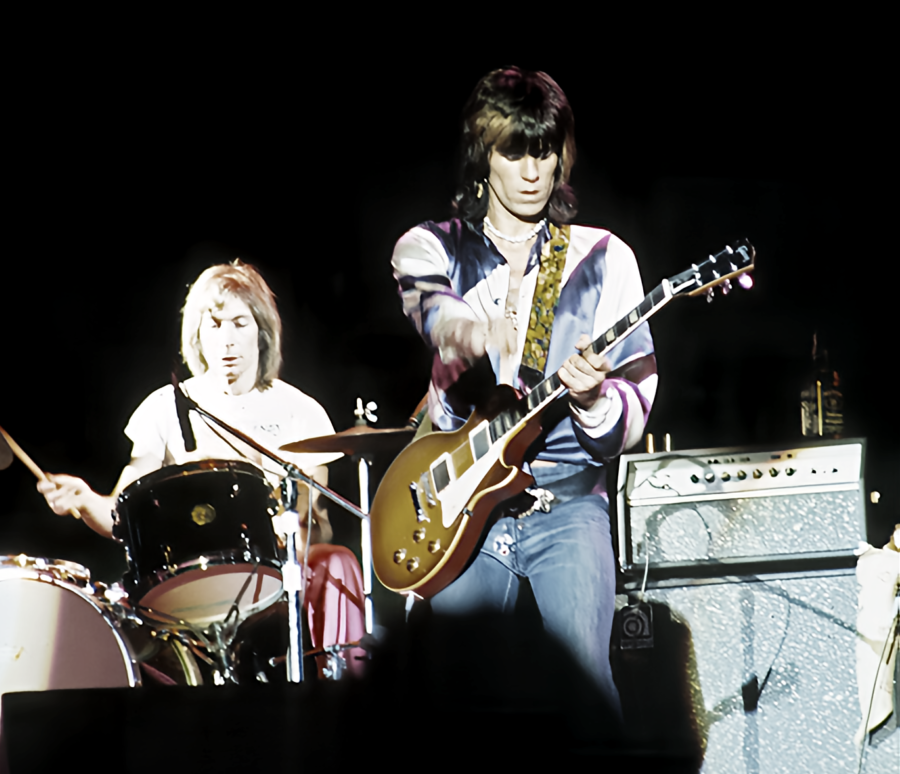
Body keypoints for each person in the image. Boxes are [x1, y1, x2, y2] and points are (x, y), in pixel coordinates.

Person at [391, 66, 658, 709]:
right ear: (484, 156)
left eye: (546, 151)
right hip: (460, 513)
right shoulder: (432, 246)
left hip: (566, 507)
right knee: (451, 698)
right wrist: (466, 328)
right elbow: (427, 300)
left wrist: (595, 398)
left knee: (589, 691)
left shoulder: (603, 259)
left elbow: (637, 408)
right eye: (516, 151)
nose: (535, 171)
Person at [39, 261, 366, 674]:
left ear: (262, 332)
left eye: (239, 324)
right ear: (197, 335)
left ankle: (344, 696)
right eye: (214, 326)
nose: (227, 340)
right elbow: (122, 518)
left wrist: (289, 529)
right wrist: (86, 501)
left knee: (337, 562)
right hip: (187, 584)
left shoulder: (301, 412)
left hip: (277, 578)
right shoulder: (165, 407)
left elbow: (313, 524)